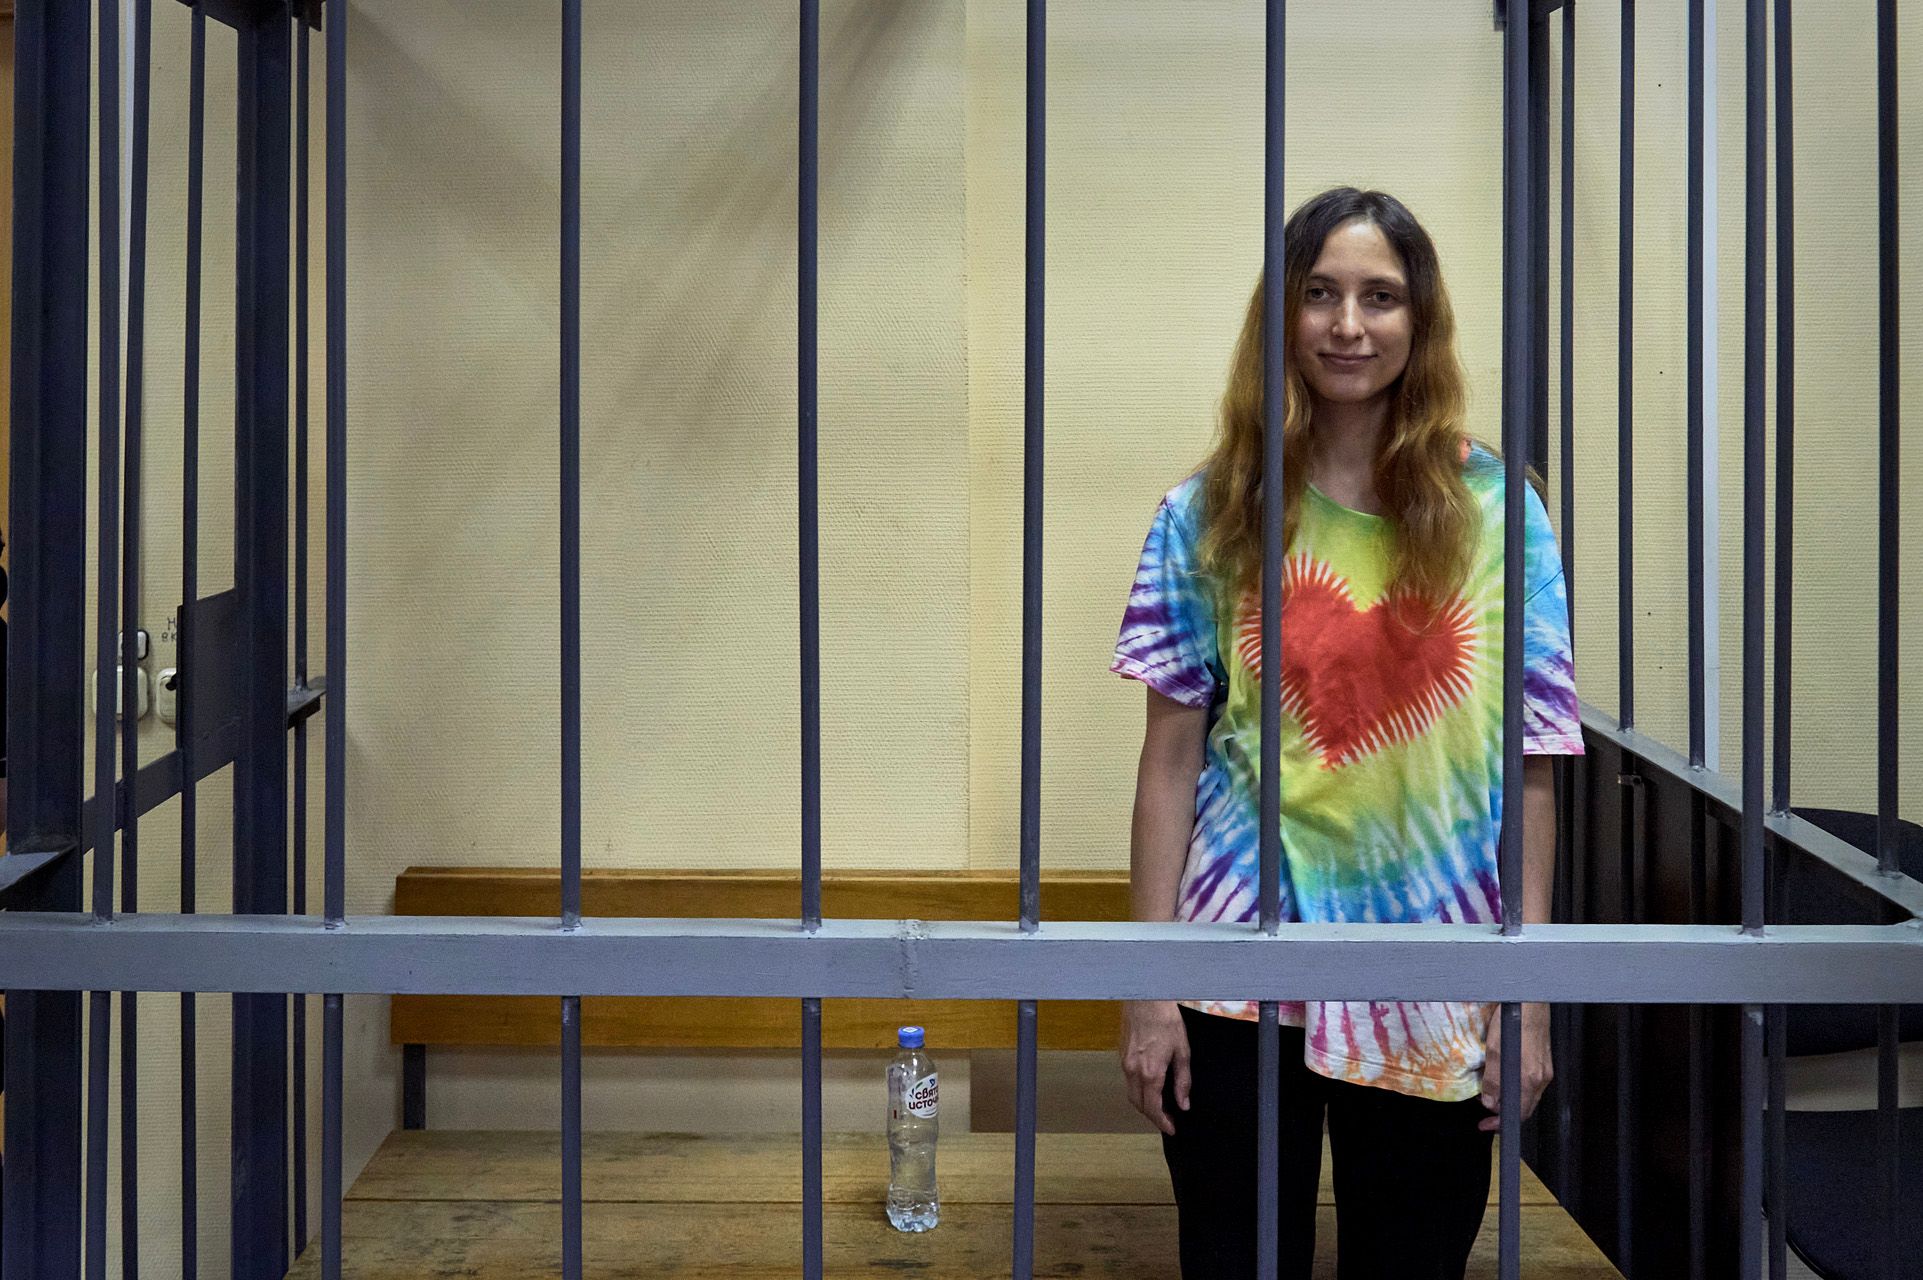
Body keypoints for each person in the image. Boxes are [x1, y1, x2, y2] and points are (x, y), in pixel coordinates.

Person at [1110, 187, 1582, 1280]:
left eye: (1380, 297)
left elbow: (1534, 766)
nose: (1347, 325)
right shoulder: (1210, 511)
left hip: (1437, 969)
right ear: (1281, 315)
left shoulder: (1499, 512)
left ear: (1421, 320)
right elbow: (1169, 763)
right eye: (1318, 294)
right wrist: (1145, 984)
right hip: (1231, 971)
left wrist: (1531, 993)